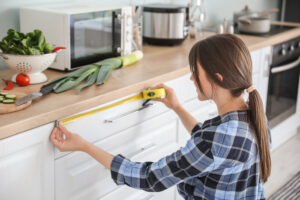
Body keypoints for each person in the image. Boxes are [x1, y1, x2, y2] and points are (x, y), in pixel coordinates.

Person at [50, 34, 272, 200]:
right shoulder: (253, 115)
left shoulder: (217, 141)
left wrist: (84, 145)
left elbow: (149, 178)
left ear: (217, 78)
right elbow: (209, 146)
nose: (191, 79)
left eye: (196, 72)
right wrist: (177, 107)